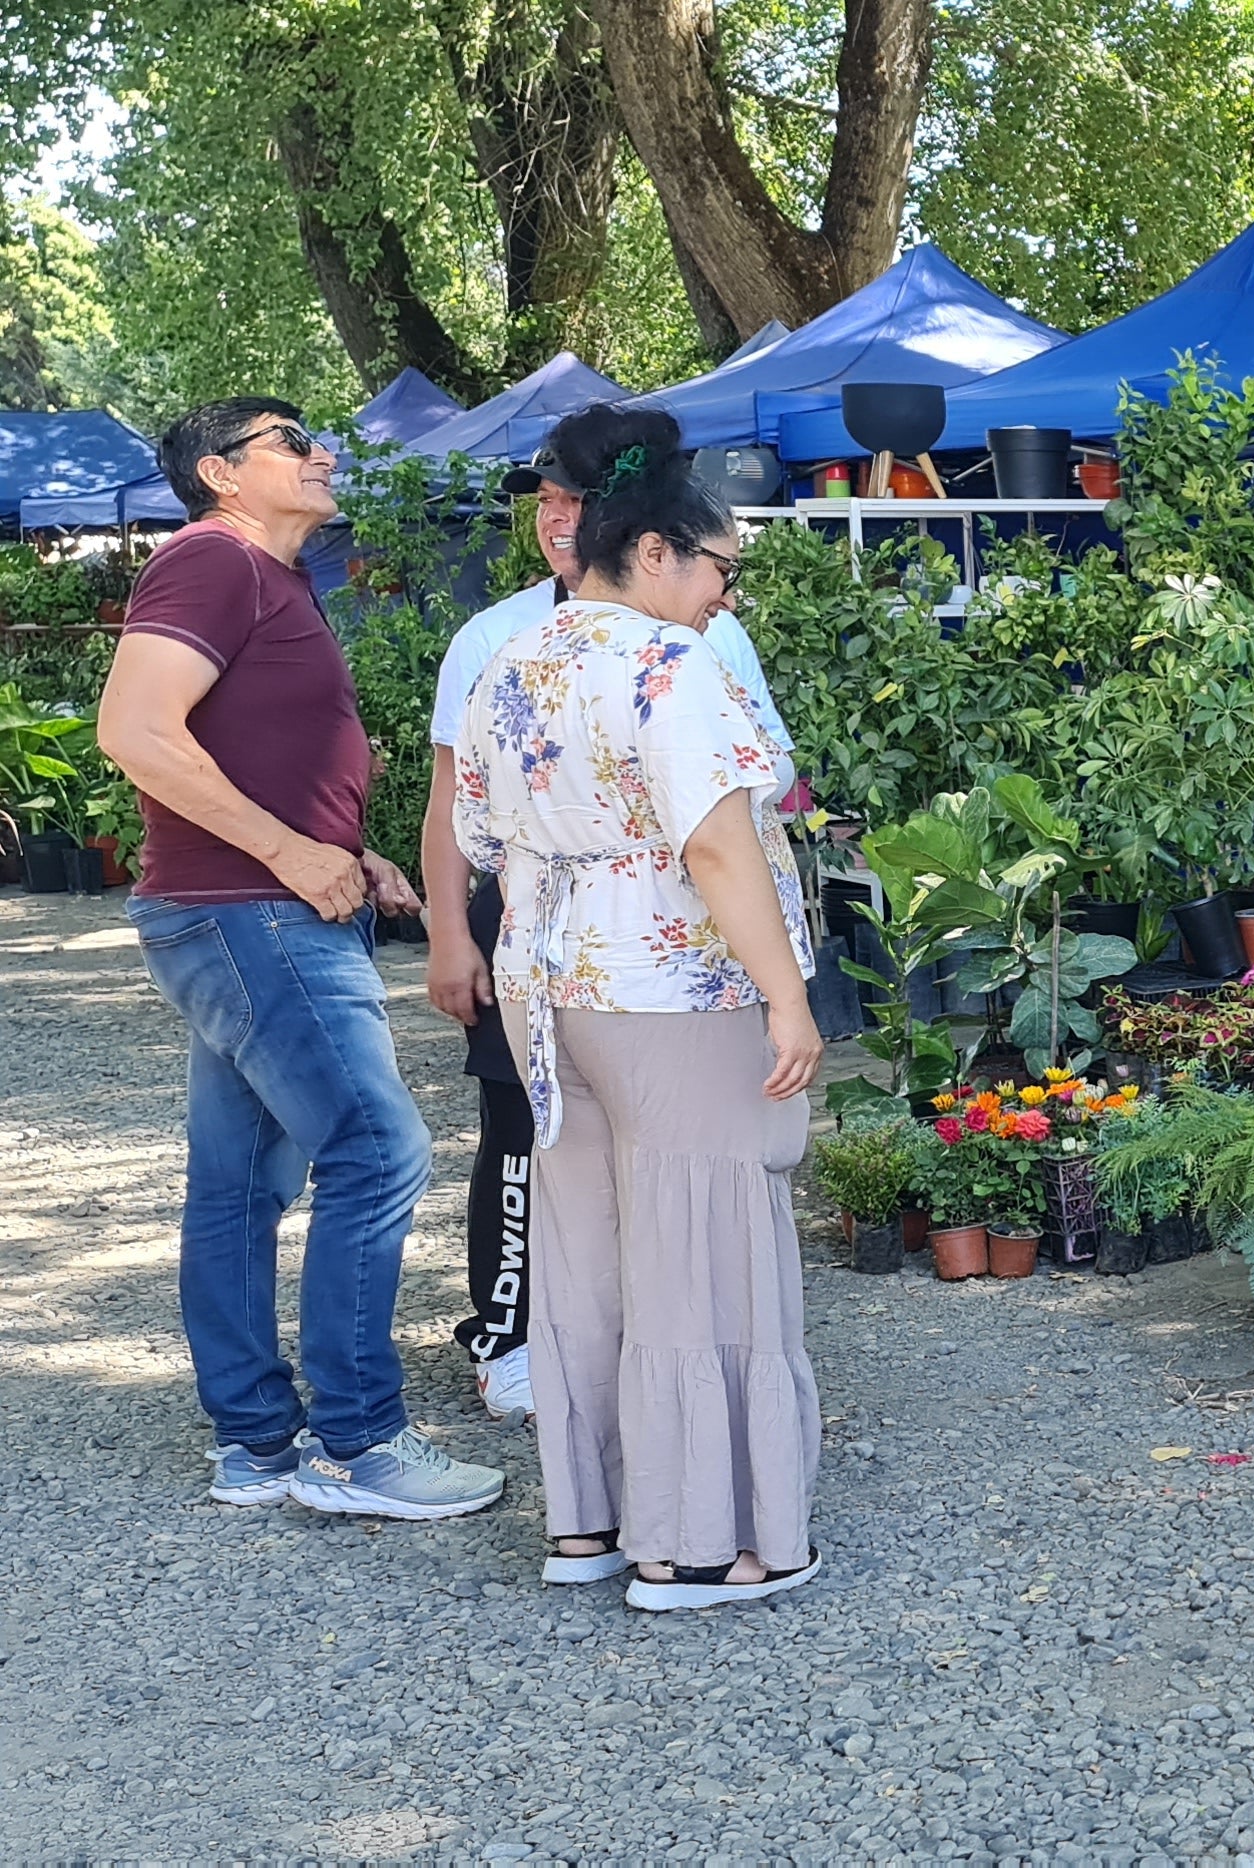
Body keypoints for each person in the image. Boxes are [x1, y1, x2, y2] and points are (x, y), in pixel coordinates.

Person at [96, 399, 505, 1521]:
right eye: (291, 440)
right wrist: (287, 852)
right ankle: (361, 1442)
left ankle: (256, 1445)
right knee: (377, 1148)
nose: (322, 454)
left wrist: (347, 848)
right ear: (223, 474)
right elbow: (134, 730)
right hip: (253, 913)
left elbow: (253, 748)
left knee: (237, 1183)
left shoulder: (272, 578)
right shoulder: (210, 562)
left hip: (254, 902)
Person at [454, 421, 824, 1608]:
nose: (726, 593)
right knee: (703, 1242)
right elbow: (716, 841)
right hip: (671, 977)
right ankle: (701, 1540)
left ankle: (595, 1521)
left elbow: (472, 831)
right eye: (722, 566)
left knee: (589, 1243)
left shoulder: (516, 657)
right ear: (658, 551)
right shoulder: (672, 662)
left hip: (549, 980)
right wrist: (788, 993)